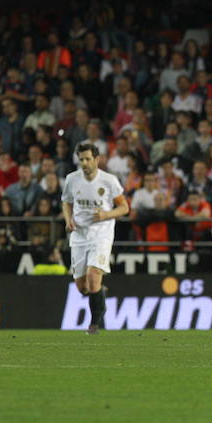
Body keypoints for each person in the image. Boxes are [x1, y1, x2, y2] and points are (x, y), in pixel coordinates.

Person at [61, 143, 130, 335]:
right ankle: (99, 292)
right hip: (79, 236)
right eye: (81, 159)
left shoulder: (109, 181)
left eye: (87, 159)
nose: (84, 163)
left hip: (101, 234)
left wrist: (106, 215)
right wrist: (68, 220)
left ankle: (94, 324)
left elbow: (124, 208)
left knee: (92, 278)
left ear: (97, 160)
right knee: (83, 287)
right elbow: (66, 202)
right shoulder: (72, 180)